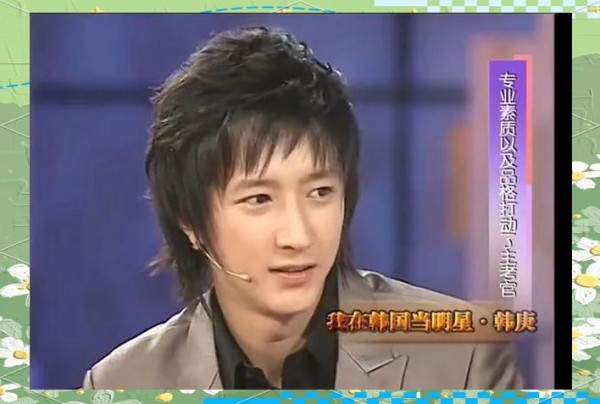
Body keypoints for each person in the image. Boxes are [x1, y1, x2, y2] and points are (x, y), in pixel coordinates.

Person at [82, 26, 524, 390]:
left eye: (319, 193)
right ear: (190, 221)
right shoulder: (122, 384)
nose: (298, 235)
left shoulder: (461, 359)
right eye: (259, 199)